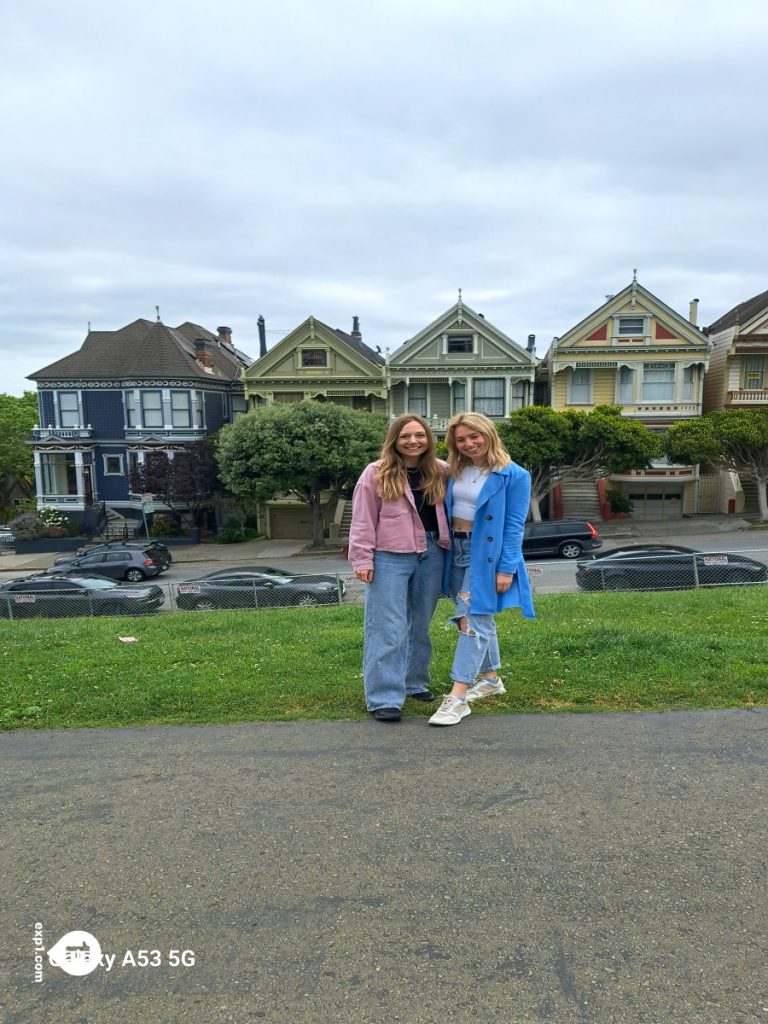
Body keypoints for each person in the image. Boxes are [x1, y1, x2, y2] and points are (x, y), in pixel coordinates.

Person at [429, 412, 535, 727]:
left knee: (470, 619)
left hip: (486, 556)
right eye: (461, 439)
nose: (469, 443)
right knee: (478, 615)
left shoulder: (513, 475)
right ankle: (490, 679)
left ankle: (457, 697)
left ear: (488, 434)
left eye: (474, 436)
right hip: (456, 550)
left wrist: (507, 568)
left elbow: (515, 525)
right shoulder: (454, 471)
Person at [348, 414, 451, 722]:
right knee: (387, 626)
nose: (413, 441)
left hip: (432, 553)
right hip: (389, 557)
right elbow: (363, 519)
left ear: (429, 439)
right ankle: (383, 697)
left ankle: (414, 682)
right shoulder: (375, 473)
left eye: (419, 435)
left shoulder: (442, 471)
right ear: (394, 439)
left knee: (420, 623)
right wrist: (362, 559)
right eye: (405, 435)